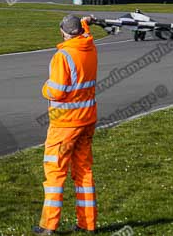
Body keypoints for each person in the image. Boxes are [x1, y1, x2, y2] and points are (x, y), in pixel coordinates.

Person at [34, 14, 98, 235]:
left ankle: (48, 226)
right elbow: (86, 33)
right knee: (83, 171)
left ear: (62, 30)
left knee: (55, 173)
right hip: (87, 120)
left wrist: (44, 88)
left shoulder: (62, 56)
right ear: (80, 31)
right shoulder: (89, 47)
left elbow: (57, 91)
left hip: (65, 125)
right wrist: (85, 22)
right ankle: (87, 224)